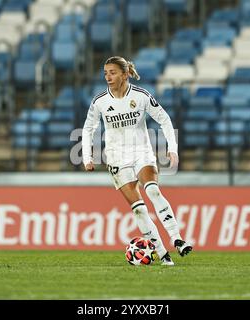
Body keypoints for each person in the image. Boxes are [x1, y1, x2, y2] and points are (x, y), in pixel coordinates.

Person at [82, 56, 192, 266]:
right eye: (105, 73)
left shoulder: (141, 96)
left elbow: (164, 119)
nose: (108, 77)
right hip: (116, 157)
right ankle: (163, 255)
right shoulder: (100, 102)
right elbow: (88, 129)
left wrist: (172, 148)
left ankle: (177, 238)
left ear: (125, 74)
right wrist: (87, 157)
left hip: (141, 151)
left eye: (112, 72)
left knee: (153, 190)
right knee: (139, 208)